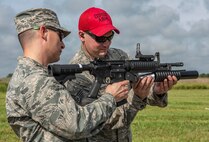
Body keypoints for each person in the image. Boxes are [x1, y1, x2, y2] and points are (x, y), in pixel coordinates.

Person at [6, 8, 130, 142]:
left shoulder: (32, 76)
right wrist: (110, 97)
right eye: (60, 36)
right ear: (43, 32)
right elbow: (77, 125)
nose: (63, 44)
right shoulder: (35, 81)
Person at [65, 7, 178, 142]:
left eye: (110, 36)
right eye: (100, 38)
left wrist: (155, 91)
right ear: (82, 35)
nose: (106, 43)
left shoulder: (119, 56)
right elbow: (99, 120)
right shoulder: (77, 72)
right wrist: (137, 97)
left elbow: (139, 87)